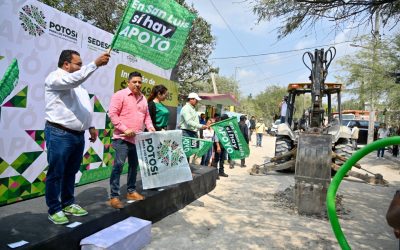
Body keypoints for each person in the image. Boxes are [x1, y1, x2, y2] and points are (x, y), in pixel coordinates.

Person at [44, 50, 110, 224]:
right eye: (78, 64)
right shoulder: (55, 78)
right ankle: (54, 208)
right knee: (56, 173)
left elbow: (83, 106)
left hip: (77, 135)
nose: (81, 67)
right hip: (59, 133)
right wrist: (94, 64)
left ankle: (67, 203)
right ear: (66, 64)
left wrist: (91, 125)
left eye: (82, 64)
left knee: (71, 172)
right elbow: (75, 79)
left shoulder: (79, 85)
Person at [108, 71, 156, 209]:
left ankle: (131, 191)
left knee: (134, 166)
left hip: (137, 139)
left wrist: (150, 127)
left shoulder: (143, 98)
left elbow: (146, 116)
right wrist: (124, 129)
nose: (137, 84)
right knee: (118, 166)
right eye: (134, 81)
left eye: (140, 82)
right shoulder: (120, 95)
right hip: (121, 139)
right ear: (128, 82)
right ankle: (114, 197)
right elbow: (113, 114)